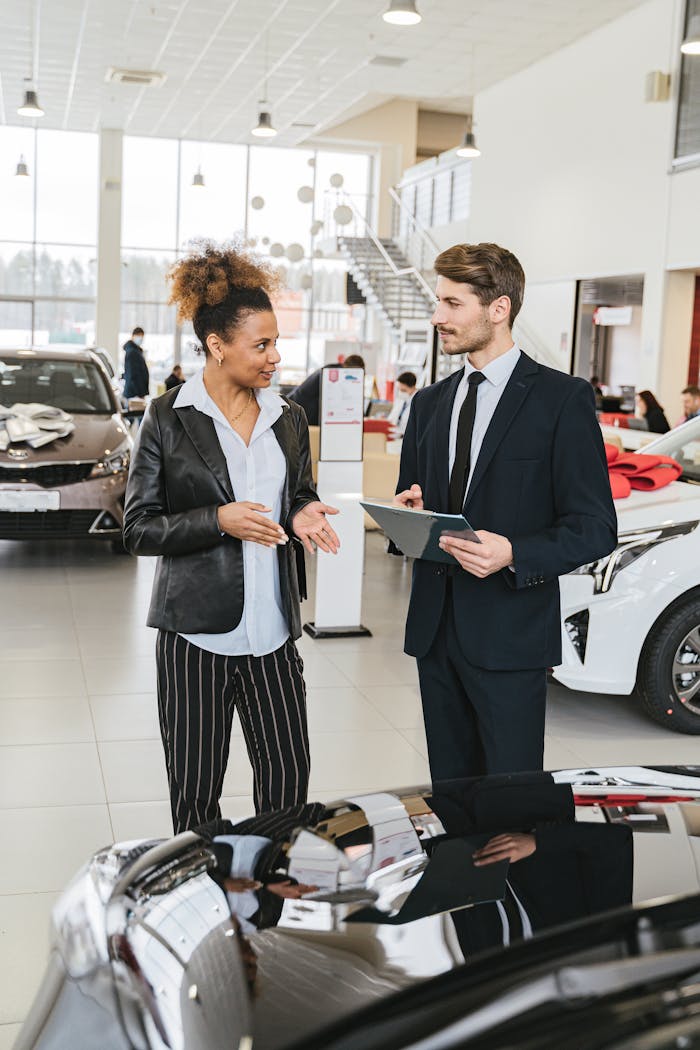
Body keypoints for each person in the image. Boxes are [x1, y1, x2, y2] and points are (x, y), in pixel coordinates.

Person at [123, 241, 341, 834]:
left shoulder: (288, 417)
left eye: (277, 343)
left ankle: (274, 901)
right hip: (196, 637)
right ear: (216, 347)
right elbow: (138, 526)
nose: (275, 357)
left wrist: (300, 515)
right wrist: (218, 520)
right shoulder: (168, 417)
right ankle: (208, 903)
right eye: (261, 345)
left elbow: (296, 492)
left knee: (288, 788)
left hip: (273, 633)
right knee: (195, 794)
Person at [393, 242, 617, 780]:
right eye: (438, 302)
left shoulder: (561, 400)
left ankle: (511, 870)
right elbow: (414, 496)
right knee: (451, 789)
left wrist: (515, 552)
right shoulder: (428, 404)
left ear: (499, 309)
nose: (438, 317)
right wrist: (411, 510)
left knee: (512, 797)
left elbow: (595, 528)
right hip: (435, 631)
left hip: (509, 634)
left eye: (452, 304)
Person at [288, 353, 365, 426]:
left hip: (296, 405)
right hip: (296, 408)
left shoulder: (333, 369)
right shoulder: (334, 374)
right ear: (354, 370)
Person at [388, 371, 418, 438]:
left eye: (403, 390)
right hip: (396, 434)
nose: (400, 390)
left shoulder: (418, 401)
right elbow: (393, 417)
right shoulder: (402, 400)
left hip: (408, 436)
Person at [122, 326, 150, 400]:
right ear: (133, 336)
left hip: (137, 393)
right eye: (139, 336)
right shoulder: (132, 352)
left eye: (142, 336)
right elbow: (132, 374)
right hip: (134, 394)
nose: (140, 338)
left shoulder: (136, 351)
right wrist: (139, 394)